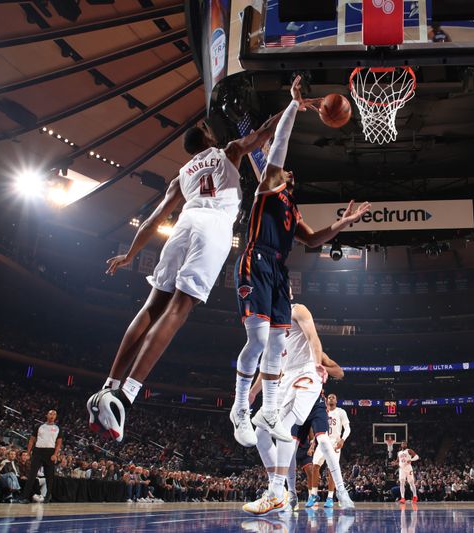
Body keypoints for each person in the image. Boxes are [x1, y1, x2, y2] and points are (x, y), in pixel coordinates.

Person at [86, 100, 285, 443]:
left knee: (152, 307)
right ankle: (125, 398)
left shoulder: (181, 176)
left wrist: (130, 254)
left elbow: (154, 218)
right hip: (214, 226)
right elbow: (265, 131)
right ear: (207, 137)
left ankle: (108, 387)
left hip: (184, 224)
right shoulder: (229, 151)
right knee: (179, 309)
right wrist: (292, 106)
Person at [230, 75, 370, 446]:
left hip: (278, 270)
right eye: (287, 170)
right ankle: (240, 406)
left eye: (291, 173)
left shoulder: (293, 208)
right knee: (259, 338)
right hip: (255, 259)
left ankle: (272, 411)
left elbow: (313, 239)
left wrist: (343, 223)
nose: (290, 171)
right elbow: (279, 145)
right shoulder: (269, 186)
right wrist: (294, 105)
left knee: (277, 344)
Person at [242, 302, 354, 515]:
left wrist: (319, 365)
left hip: (308, 380)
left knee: (303, 434)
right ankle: (286, 492)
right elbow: (267, 365)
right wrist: (254, 392)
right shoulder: (269, 328)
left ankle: (279, 491)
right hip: (285, 381)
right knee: (262, 433)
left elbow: (317, 344)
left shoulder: (297, 311)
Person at [310, 393, 351, 508]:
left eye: (333, 397)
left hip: (334, 443)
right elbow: (316, 428)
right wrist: (313, 443)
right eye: (329, 397)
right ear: (326, 400)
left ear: (336, 400)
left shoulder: (340, 412)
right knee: (315, 466)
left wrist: (342, 440)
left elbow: (347, 428)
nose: (331, 398)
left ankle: (330, 497)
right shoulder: (322, 412)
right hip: (323, 441)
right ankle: (313, 494)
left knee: (331, 469)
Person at [20, 410, 62, 503]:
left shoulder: (58, 428)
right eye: (50, 414)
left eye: (54, 414)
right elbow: (31, 440)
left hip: (50, 452)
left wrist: (55, 454)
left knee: (49, 476)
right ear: (46, 415)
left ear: (56, 417)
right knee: (32, 475)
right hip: (38, 451)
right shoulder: (39, 426)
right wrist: (28, 452)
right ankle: (25, 497)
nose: (52, 415)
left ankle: (47, 497)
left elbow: (59, 443)